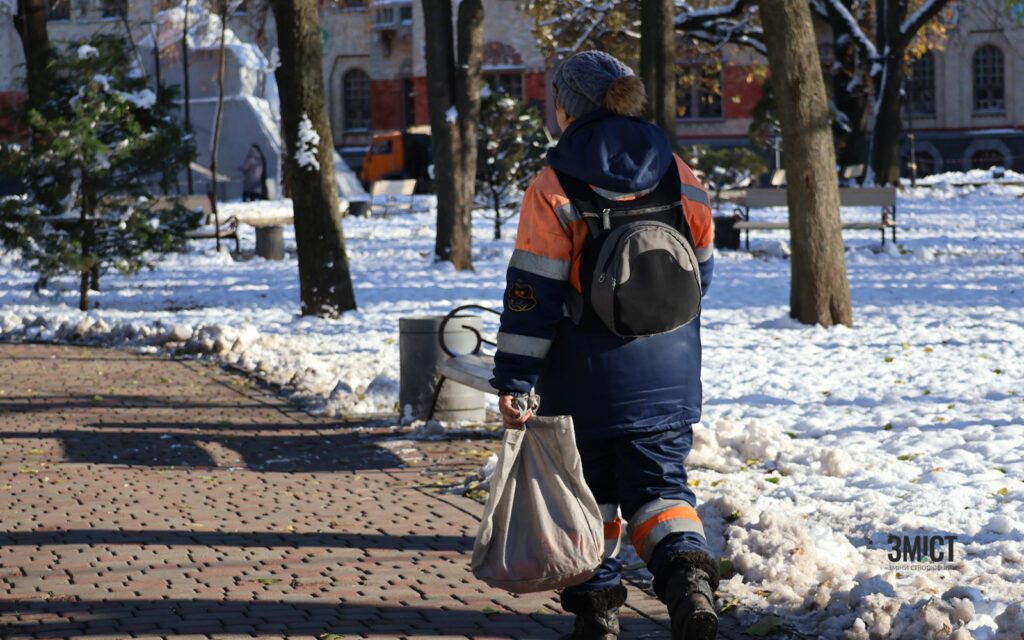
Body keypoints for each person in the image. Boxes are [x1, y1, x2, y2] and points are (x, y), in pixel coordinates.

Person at [489, 51, 718, 640]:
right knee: (662, 489)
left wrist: (514, 380)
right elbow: (702, 272)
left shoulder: (553, 183)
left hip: (581, 377)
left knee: (589, 495)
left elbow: (532, 295)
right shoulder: (677, 169)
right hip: (669, 372)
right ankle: (687, 579)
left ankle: (597, 615)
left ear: (567, 105)